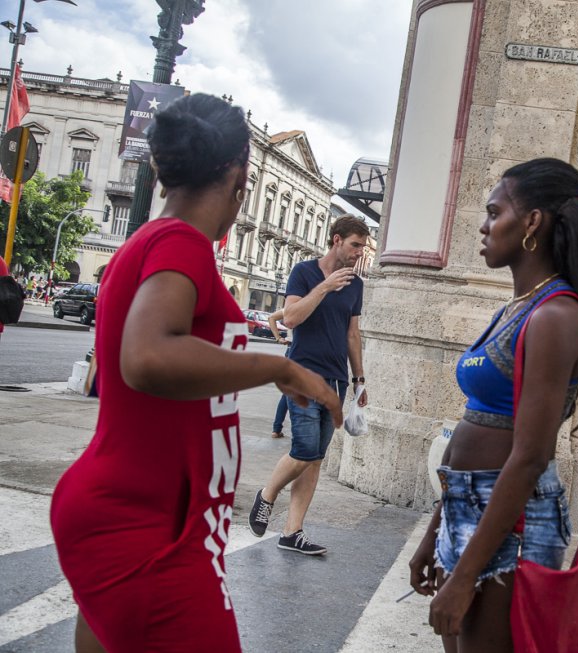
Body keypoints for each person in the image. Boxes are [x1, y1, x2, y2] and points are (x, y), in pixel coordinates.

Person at [48, 94, 341, 653]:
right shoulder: (180, 241)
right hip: (147, 524)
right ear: (239, 174)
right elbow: (149, 357)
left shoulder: (155, 243)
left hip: (145, 518)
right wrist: (281, 367)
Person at [407, 158, 578, 652]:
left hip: (513, 522)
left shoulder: (555, 316)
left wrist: (463, 577)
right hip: (472, 508)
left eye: (493, 211)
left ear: (532, 223)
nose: (483, 225)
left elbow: (529, 457)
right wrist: (435, 532)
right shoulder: (517, 308)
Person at [248, 214, 370, 555]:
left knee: (315, 459)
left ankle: (292, 532)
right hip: (301, 374)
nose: (359, 253)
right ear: (336, 240)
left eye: (362, 247)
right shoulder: (304, 273)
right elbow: (290, 318)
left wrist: (359, 380)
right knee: (304, 449)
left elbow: (352, 333)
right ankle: (267, 495)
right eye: (355, 245)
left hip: (336, 380)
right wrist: (326, 286)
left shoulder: (356, 285)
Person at [268, 308, 291, 439]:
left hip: (291, 349)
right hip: (304, 351)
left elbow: (271, 317)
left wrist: (278, 338)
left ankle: (276, 429)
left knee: (287, 393)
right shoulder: (310, 306)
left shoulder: (292, 306)